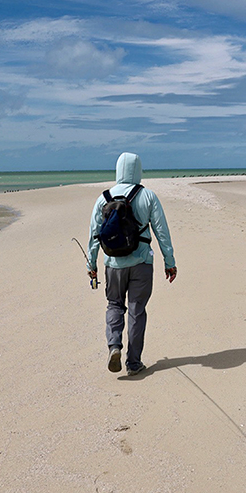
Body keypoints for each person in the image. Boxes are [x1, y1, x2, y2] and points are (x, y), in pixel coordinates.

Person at [86, 152, 177, 376]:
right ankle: (133, 363)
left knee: (114, 305)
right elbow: (161, 232)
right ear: (138, 170)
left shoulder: (103, 198)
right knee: (137, 310)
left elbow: (94, 234)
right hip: (142, 262)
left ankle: (114, 346)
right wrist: (170, 262)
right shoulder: (148, 196)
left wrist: (92, 264)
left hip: (113, 264)